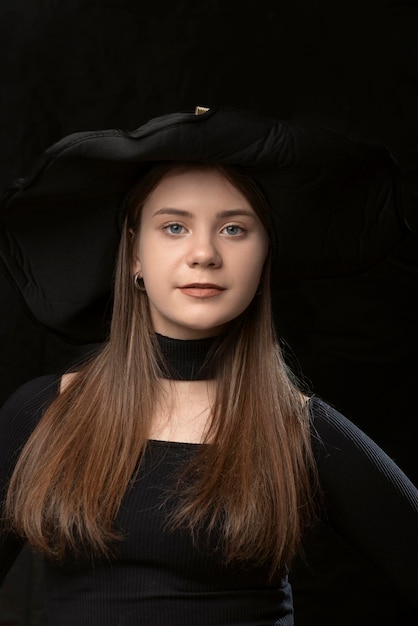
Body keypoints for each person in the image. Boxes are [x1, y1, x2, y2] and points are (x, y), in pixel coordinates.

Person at [0, 105, 417, 626]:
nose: (204, 253)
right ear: (133, 253)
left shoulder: (300, 429)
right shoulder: (44, 412)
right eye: (174, 227)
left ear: (265, 255)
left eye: (235, 230)